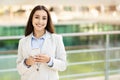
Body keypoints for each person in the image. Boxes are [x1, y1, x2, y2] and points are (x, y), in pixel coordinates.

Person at [16, 5, 67, 80]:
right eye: (37, 17)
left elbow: (63, 65)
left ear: (47, 21)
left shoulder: (57, 39)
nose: (40, 21)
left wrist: (49, 60)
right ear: (31, 19)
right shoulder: (22, 42)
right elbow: (19, 70)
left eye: (44, 18)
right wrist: (27, 62)